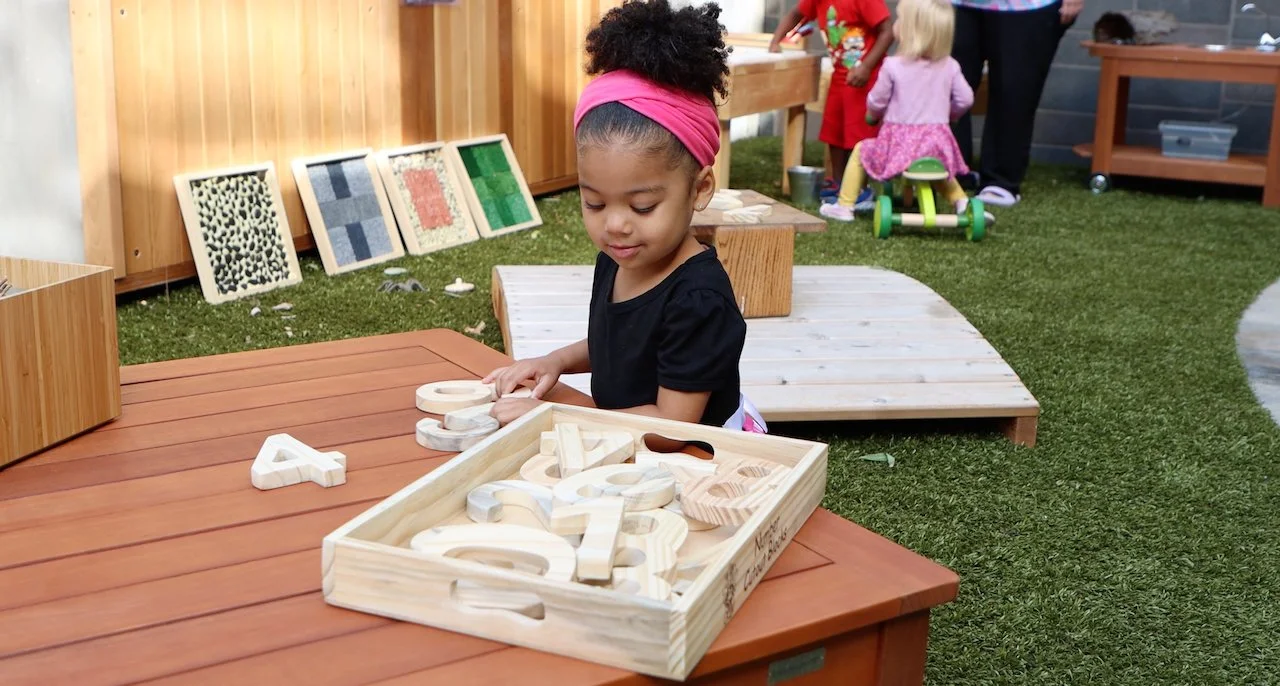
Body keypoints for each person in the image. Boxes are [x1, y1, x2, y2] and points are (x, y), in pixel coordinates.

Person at [485, 0, 766, 435]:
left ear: (700, 189)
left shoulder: (698, 300)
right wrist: (555, 361)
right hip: (622, 438)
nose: (614, 225)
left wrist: (553, 418)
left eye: (642, 206)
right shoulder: (620, 257)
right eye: (594, 203)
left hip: (701, 456)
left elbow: (674, 426)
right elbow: (617, 348)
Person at [817, 0, 976, 222]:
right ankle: (961, 201)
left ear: (911, 30)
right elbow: (966, 98)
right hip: (937, 144)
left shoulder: (893, 65)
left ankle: (844, 206)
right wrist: (951, 115)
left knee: (861, 152)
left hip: (899, 147)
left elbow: (877, 100)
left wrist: (872, 115)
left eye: (900, 19)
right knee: (937, 167)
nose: (895, 24)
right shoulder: (949, 65)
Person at [950, 0, 1083, 207]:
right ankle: (953, 170)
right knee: (945, 84)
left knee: (1014, 89)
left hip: (1028, 6)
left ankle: (1000, 179)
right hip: (960, 5)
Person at [770, 0, 894, 208]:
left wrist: (866, 66)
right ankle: (838, 183)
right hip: (840, 77)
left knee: (859, 136)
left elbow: (888, 31)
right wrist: (775, 41)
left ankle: (860, 189)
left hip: (866, 78)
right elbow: (795, 14)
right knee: (833, 132)